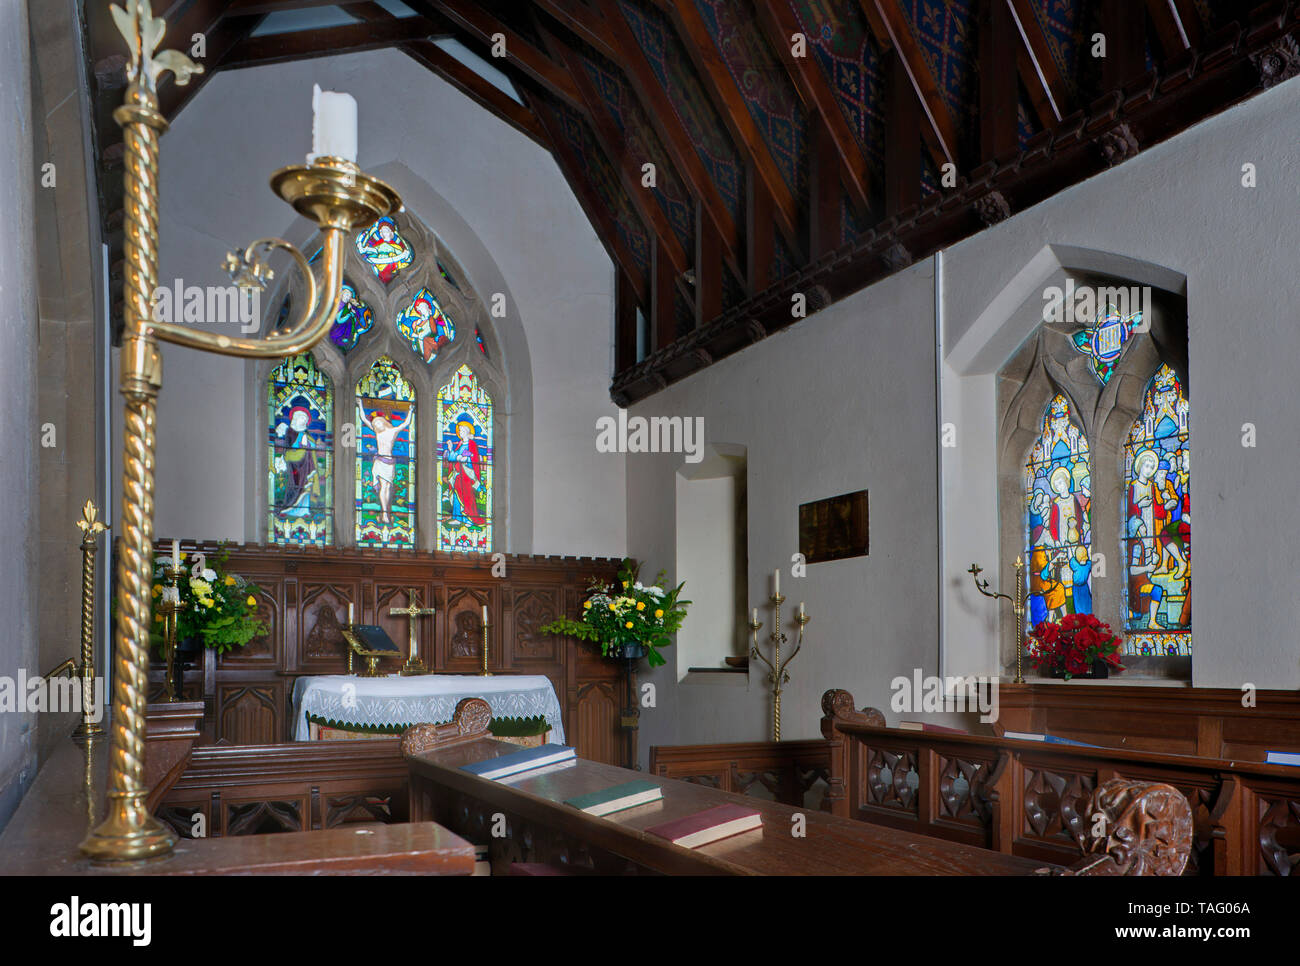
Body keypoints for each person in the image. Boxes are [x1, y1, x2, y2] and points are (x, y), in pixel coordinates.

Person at [359, 404, 413, 525]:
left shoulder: (393, 431)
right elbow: (363, 419)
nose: (376, 426)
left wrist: (410, 411)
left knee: (388, 487)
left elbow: (405, 424)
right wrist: (360, 404)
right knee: (384, 487)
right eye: (374, 425)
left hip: (390, 463)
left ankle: (386, 513)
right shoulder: (378, 433)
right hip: (380, 462)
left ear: (383, 422)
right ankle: (384, 514)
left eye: (378, 423)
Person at [273, 406, 318, 518]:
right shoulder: (290, 431)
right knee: (293, 486)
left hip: (306, 465)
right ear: (296, 418)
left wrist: (306, 444)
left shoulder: (306, 433)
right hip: (294, 466)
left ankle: (304, 511)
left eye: (306, 418)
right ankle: (289, 509)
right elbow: (288, 449)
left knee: (305, 488)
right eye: (302, 417)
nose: (305, 420)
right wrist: (300, 445)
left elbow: (312, 445)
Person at [444, 419, 486, 527]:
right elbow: (453, 457)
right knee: (456, 494)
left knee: (467, 496)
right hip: (458, 474)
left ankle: (469, 519)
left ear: (467, 432)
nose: (460, 433)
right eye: (459, 431)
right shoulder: (460, 444)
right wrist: (451, 449)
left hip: (467, 475)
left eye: (462, 430)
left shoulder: (471, 444)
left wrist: (460, 457)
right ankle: (458, 518)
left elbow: (469, 457)